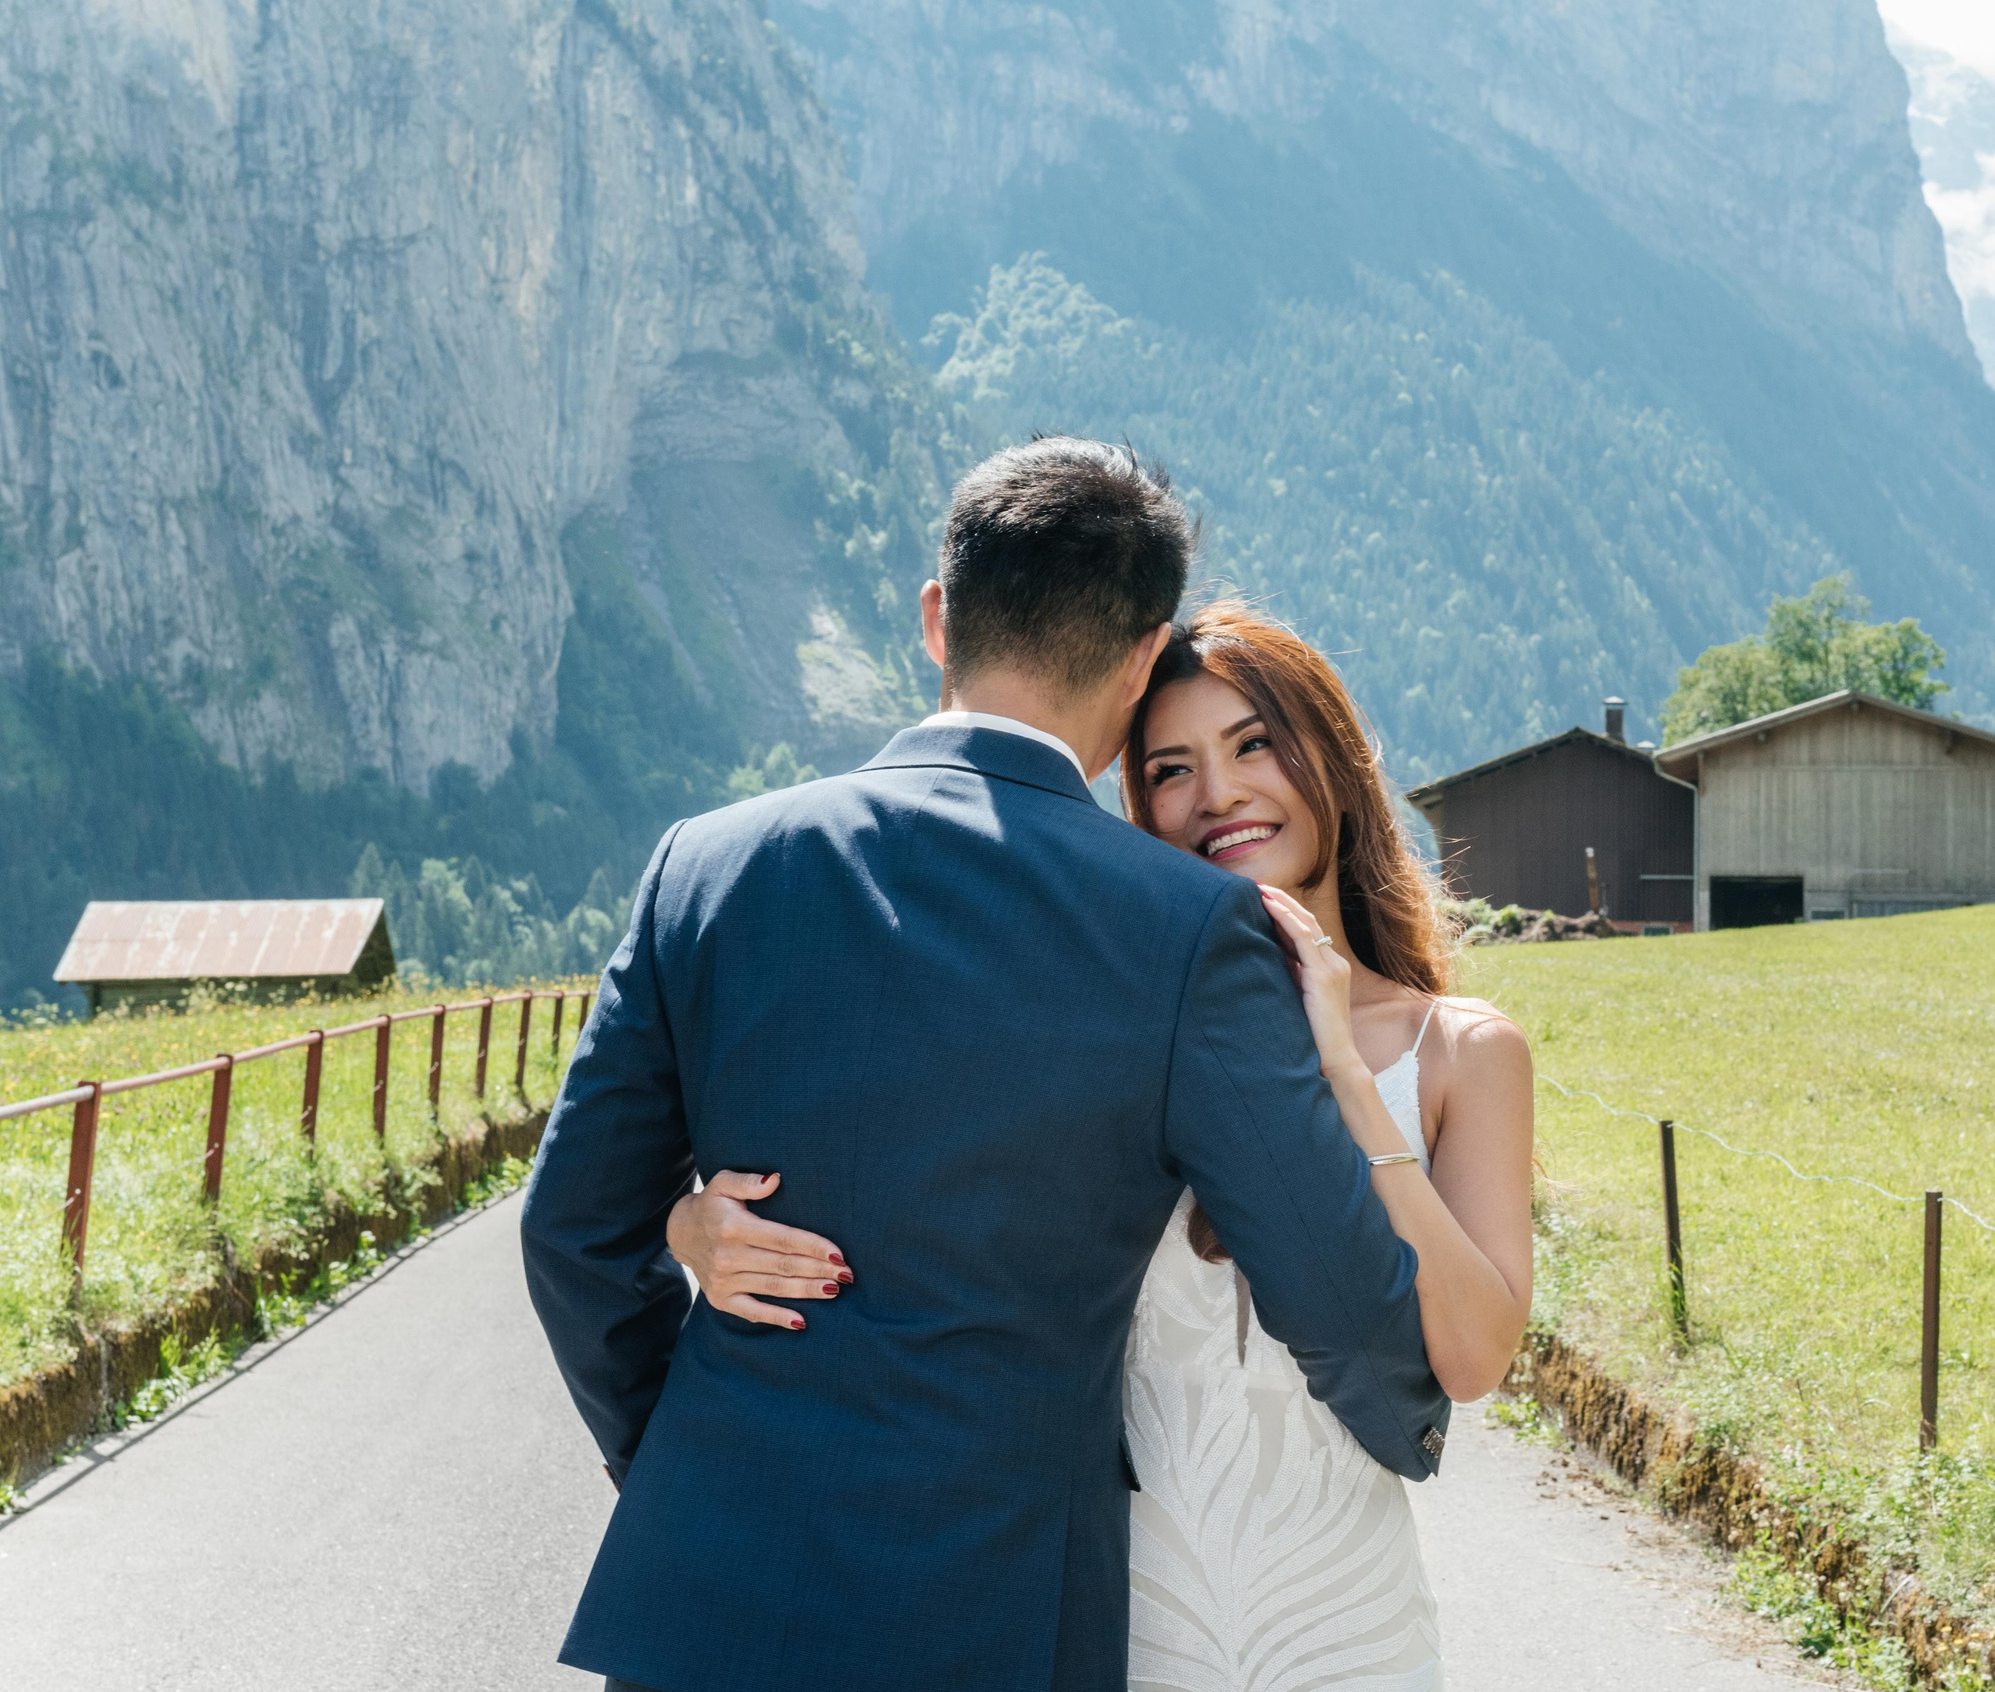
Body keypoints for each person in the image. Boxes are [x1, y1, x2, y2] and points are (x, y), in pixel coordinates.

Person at [519, 441, 1451, 1692]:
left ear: (936, 616)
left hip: (708, 1594)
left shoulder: (707, 864)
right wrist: (1407, 1416)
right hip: (999, 1611)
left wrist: (679, 1453)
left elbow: (572, 1230)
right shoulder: (1185, 927)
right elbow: (1330, 1283)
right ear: (1140, 660)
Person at [668, 602, 1536, 1690]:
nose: (1217, 794)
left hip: (1340, 1619)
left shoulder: (1463, 1050)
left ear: (1334, 756)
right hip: (1112, 1615)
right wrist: (691, 1223)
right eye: (1170, 768)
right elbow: (917, 1205)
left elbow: (1473, 1354)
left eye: (1252, 743)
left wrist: (1348, 1075)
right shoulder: (1092, 1027)